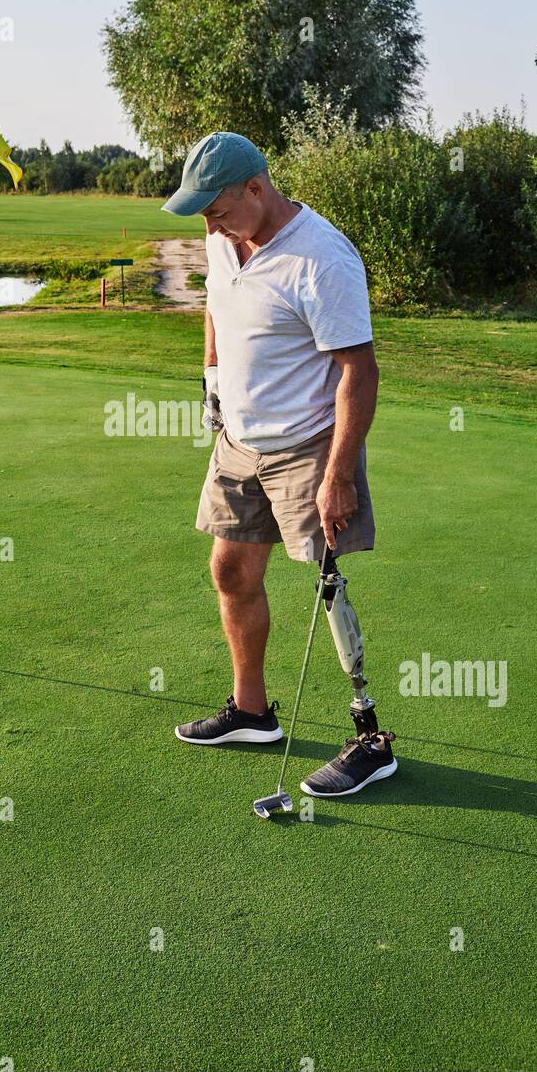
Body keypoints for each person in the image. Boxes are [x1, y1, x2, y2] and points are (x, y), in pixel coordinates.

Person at [163, 131, 396, 797]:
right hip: (239, 439)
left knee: (326, 583)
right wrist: (211, 377)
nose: (209, 224)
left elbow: (360, 369)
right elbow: (217, 303)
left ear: (258, 190)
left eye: (217, 210)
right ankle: (252, 711)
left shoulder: (323, 259)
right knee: (231, 568)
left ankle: (370, 737)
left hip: (305, 442)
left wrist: (339, 474)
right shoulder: (222, 235)